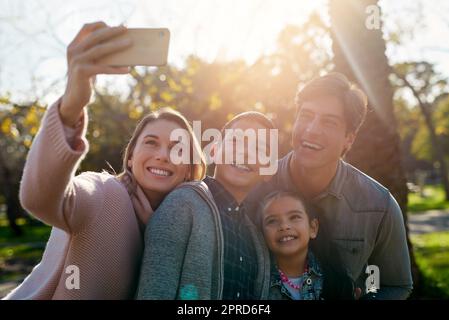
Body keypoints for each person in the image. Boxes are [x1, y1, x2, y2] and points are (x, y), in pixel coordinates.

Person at [3, 22, 206, 300]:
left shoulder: (186, 228)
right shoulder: (104, 193)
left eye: (176, 148)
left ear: (189, 169)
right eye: (151, 142)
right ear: (131, 157)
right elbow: (40, 199)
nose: (162, 154)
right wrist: (70, 108)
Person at [246, 72, 413, 299]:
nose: (312, 129)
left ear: (349, 139)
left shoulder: (378, 206)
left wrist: (369, 296)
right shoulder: (255, 187)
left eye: (329, 122)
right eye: (306, 116)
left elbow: (389, 282)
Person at [137, 111, 276, 299]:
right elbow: (155, 291)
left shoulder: (256, 238)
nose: (245, 152)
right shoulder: (183, 204)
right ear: (213, 150)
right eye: (235, 141)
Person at [260, 191, 355, 300]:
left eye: (294, 217)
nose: (284, 226)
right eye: (272, 221)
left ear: (313, 228)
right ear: (262, 233)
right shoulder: (255, 280)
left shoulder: (336, 279)